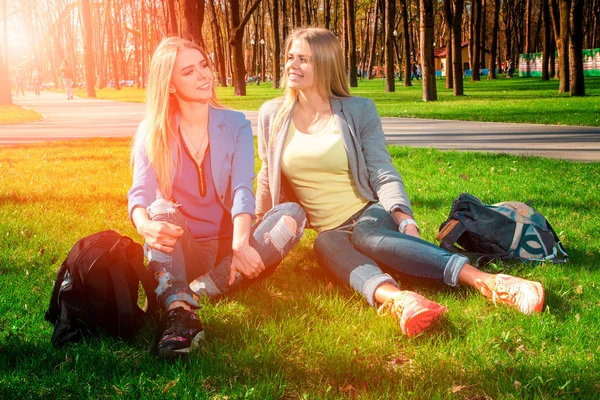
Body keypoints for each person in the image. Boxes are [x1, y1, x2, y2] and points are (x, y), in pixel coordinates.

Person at [256, 27, 544, 338]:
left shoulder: (357, 110)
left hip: (369, 213)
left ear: (325, 63)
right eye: (289, 57)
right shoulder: (273, 114)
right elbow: (267, 175)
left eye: (304, 59)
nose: (292, 65)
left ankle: (489, 282)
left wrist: (404, 219)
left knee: (366, 237)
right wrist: (258, 229)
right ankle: (401, 301)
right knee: (324, 245)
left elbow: (382, 169)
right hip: (329, 229)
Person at [128, 37, 306, 358]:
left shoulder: (235, 123)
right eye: (188, 71)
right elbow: (139, 192)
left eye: (204, 65)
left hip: (228, 248)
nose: (203, 76)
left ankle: (194, 289)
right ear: (169, 86)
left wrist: (241, 243)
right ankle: (180, 312)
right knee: (161, 210)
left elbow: (242, 188)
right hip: (185, 248)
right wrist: (144, 225)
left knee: (292, 214)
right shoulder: (152, 131)